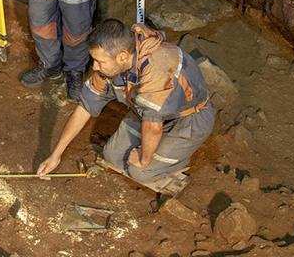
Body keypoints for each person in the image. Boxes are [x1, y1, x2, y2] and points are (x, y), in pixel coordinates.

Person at [37, 19, 215, 186]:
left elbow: (154, 127)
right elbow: (84, 108)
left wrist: (144, 159)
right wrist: (56, 155)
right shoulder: (113, 65)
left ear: (122, 57)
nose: (95, 67)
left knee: (140, 172)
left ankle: (177, 157)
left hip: (188, 120)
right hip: (146, 114)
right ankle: (159, 151)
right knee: (112, 156)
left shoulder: (158, 70)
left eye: (100, 61)